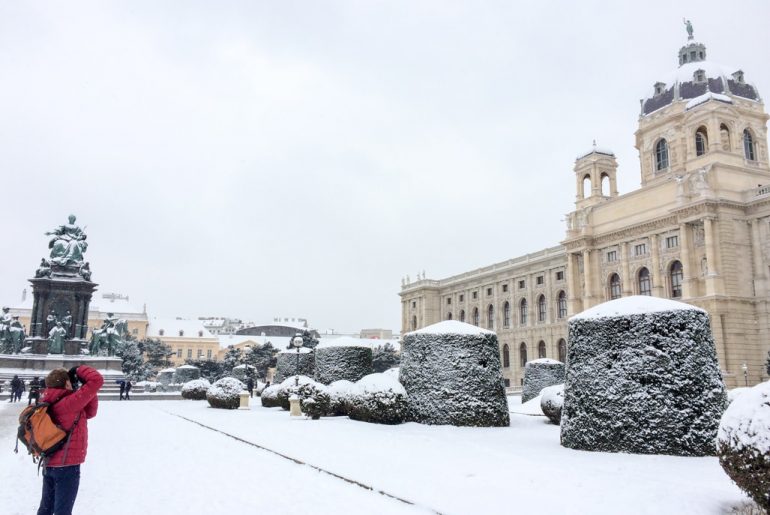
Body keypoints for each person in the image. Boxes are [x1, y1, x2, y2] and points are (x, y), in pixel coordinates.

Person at [36, 365, 103, 515]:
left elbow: (89, 412)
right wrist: (79, 370)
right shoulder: (70, 402)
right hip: (67, 466)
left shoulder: (48, 400)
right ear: (66, 383)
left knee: (46, 508)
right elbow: (97, 379)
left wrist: (87, 389)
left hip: (49, 463)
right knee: (63, 511)